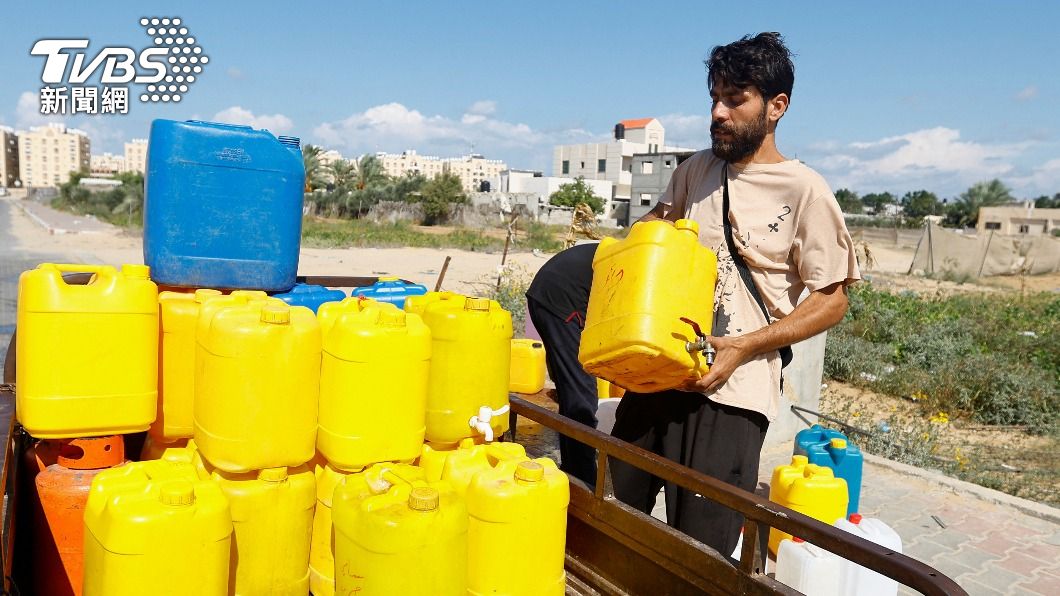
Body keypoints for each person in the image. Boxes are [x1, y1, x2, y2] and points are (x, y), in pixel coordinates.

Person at [609, 32, 861, 558]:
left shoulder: (805, 191)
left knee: (701, 553)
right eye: (714, 99)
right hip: (658, 375)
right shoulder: (695, 171)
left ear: (776, 106)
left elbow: (832, 299)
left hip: (733, 397)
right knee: (611, 520)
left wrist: (745, 345)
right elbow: (650, 246)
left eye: (735, 98)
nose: (718, 113)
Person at [525, 242, 599, 486]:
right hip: (562, 297)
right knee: (582, 391)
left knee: (570, 386)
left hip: (547, 291)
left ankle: (573, 464)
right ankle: (583, 477)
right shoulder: (646, 266)